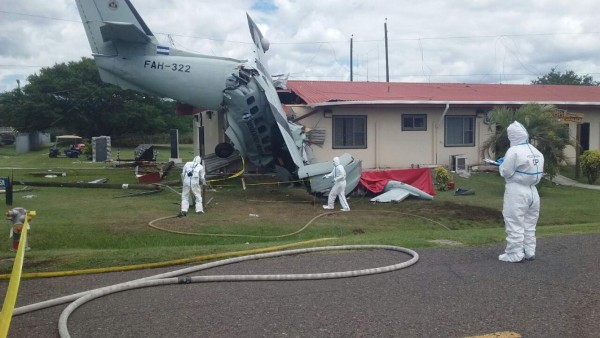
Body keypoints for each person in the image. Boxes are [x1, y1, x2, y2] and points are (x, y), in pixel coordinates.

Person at [498, 121, 544, 263]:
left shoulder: (513, 151)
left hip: (517, 190)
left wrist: (500, 165)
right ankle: (529, 251)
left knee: (514, 221)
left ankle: (514, 253)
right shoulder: (536, 151)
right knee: (529, 224)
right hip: (533, 192)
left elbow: (506, 172)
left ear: (512, 136)